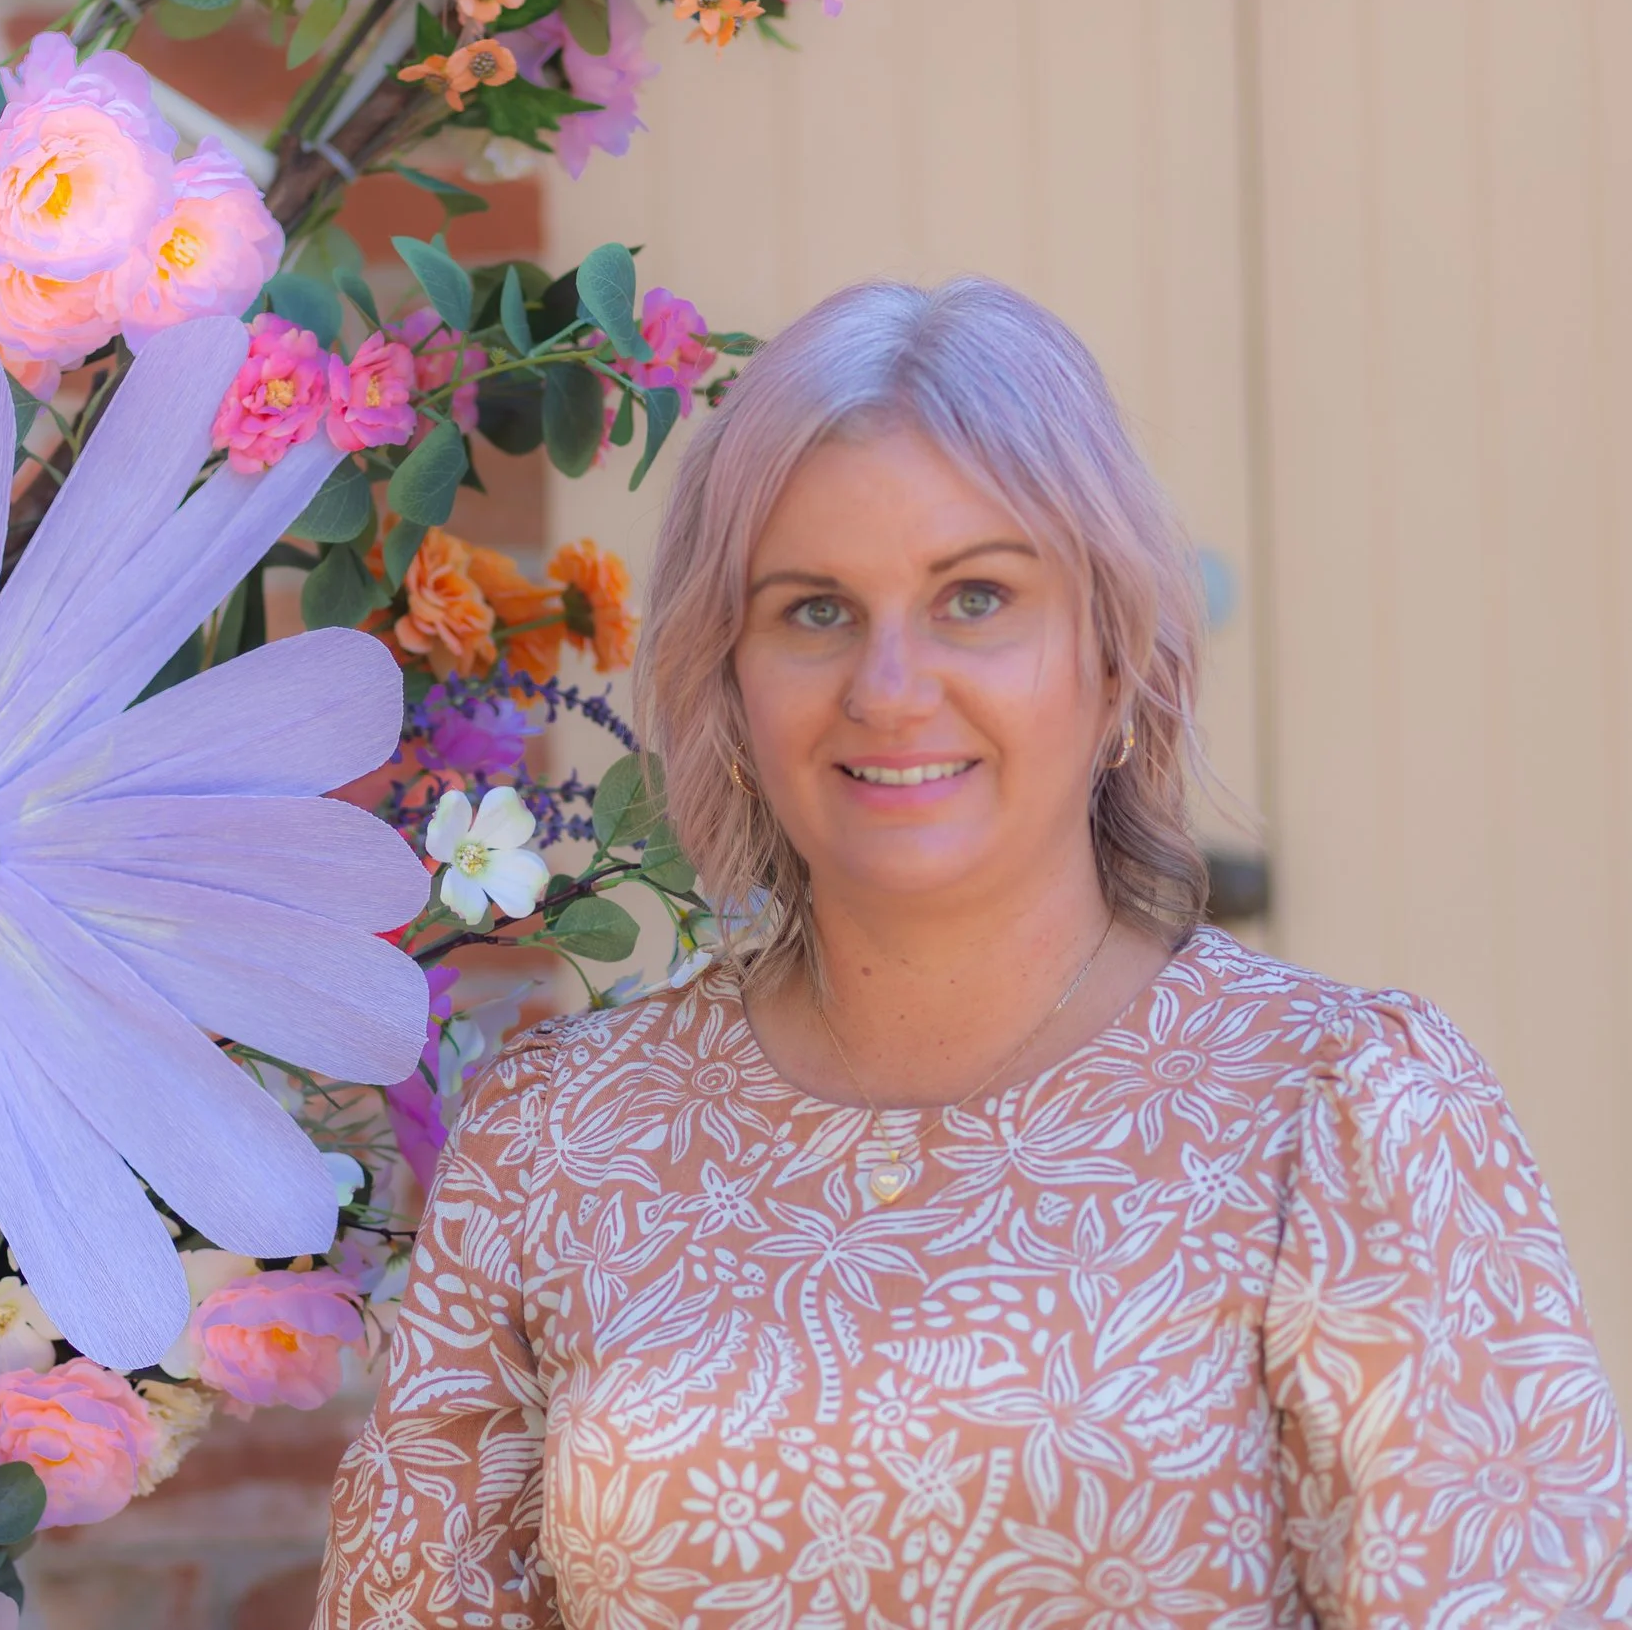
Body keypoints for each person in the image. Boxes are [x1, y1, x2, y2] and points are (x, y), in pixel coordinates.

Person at [315, 278, 1631, 1627]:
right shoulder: (556, 1144)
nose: (890, 687)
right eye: (815, 609)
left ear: (1115, 658)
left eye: (976, 597)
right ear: (730, 679)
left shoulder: (1346, 1113)